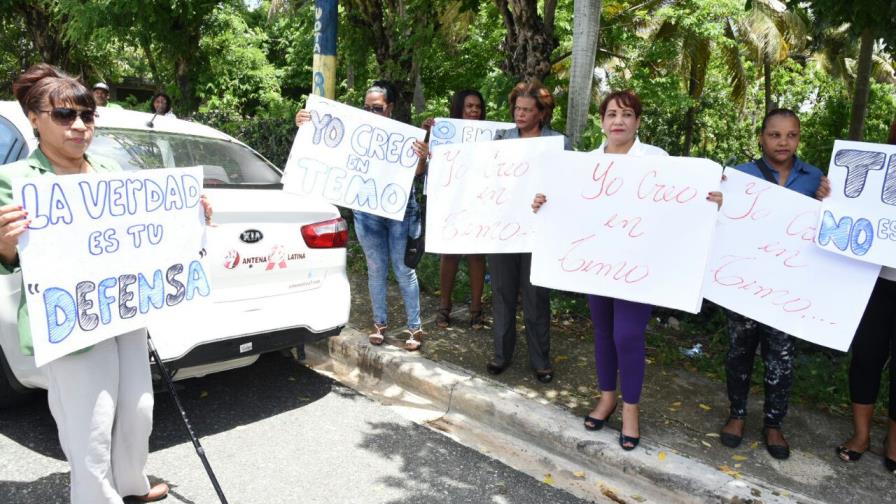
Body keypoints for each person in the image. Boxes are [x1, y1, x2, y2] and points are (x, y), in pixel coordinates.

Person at [0, 64, 210, 503]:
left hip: (122, 311)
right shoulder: (16, 180)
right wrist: (5, 243)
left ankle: (130, 483)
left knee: (138, 408)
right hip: (69, 324)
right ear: (35, 118)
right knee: (90, 424)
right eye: (64, 115)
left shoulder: (110, 169)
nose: (79, 126)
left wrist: (190, 213)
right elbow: (10, 260)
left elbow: (146, 230)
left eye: (87, 115)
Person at [531, 90, 722, 450]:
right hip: (596, 265)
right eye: (612, 114)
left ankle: (631, 409)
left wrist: (708, 200)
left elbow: (679, 206)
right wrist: (543, 203)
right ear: (602, 122)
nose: (618, 120)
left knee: (627, 336)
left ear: (637, 122)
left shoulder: (656, 160)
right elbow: (568, 209)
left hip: (638, 267)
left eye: (627, 114)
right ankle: (607, 398)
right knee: (603, 332)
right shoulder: (583, 164)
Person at [718, 108, 829, 460]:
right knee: (739, 352)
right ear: (762, 138)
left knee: (781, 358)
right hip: (743, 280)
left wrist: (831, 202)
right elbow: (723, 221)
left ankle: (773, 423)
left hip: (787, 287)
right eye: (775, 134)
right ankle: (737, 415)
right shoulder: (739, 175)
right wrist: (719, 201)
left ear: (799, 138)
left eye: (791, 135)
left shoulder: (815, 179)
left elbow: (827, 227)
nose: (783, 142)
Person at [295, 80, 428, 351]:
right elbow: (325, 146)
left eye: (376, 108)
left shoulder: (406, 136)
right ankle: (379, 323)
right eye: (366, 107)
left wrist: (423, 157)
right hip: (367, 211)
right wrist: (306, 124)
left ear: (390, 107)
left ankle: (414, 327)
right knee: (376, 269)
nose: (370, 112)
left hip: (400, 211)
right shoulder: (353, 130)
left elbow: (417, 173)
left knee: (404, 270)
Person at [485, 80, 571, 385]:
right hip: (503, 230)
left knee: (536, 297)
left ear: (541, 113)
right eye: (517, 108)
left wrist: (552, 197)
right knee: (502, 294)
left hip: (539, 233)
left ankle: (540, 361)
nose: (519, 114)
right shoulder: (501, 139)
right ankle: (501, 355)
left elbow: (571, 186)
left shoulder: (558, 143)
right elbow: (482, 176)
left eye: (527, 110)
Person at [835, 119, 896, 472]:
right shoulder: (876, 167)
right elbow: (847, 204)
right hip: (875, 281)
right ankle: (861, 435)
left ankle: (893, 441)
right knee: (866, 358)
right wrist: (831, 193)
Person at [422, 89, 488, 329]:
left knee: (476, 255)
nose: (474, 111)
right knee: (449, 253)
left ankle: (476, 310)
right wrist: (428, 133)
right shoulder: (445, 133)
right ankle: (444, 307)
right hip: (451, 201)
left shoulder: (490, 135)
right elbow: (428, 161)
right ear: (459, 108)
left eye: (478, 107)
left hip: (480, 201)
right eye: (469, 106)